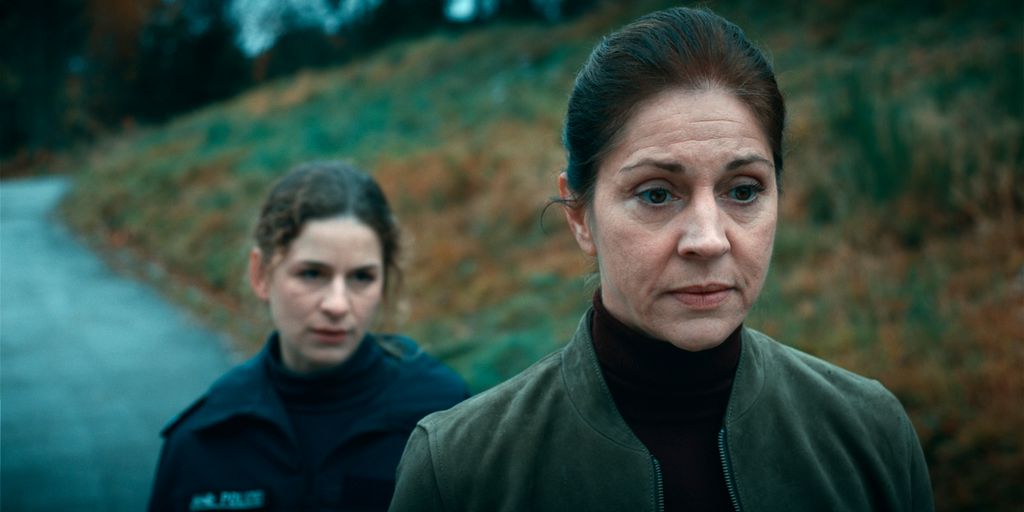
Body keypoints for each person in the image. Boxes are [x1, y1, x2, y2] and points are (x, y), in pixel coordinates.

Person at [389, 7, 933, 512]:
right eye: (656, 194)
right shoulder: (458, 470)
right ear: (580, 216)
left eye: (743, 191)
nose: (708, 240)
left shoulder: (870, 432)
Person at [148, 161, 469, 511]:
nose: (337, 304)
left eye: (361, 277)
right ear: (261, 274)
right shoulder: (203, 438)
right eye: (312, 274)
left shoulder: (443, 417)